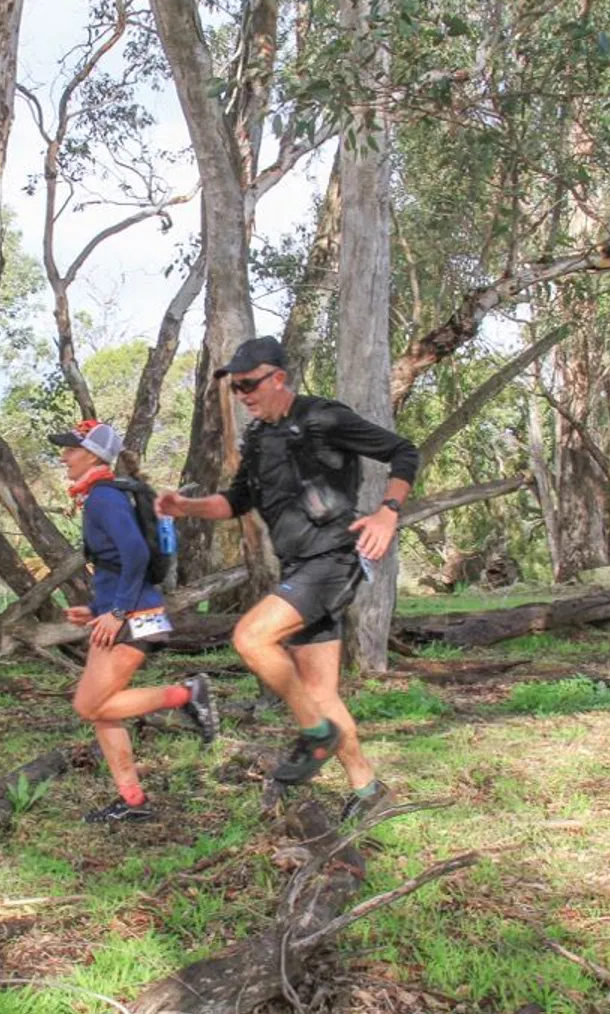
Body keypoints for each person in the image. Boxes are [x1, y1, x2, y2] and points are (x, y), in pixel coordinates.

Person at [155, 336, 419, 824]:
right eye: (237, 388)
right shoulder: (258, 439)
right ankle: (369, 791)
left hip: (333, 559)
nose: (244, 395)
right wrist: (186, 506)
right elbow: (235, 503)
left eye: (250, 384)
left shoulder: (323, 417)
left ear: (278, 377)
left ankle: (315, 734)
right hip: (299, 566)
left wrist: (388, 512)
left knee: (250, 637)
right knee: (320, 692)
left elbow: (403, 452)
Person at [49, 419, 219, 825]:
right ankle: (133, 800)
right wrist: (96, 608)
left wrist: (119, 611)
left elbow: (136, 556)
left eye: (70, 449)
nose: (64, 456)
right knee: (99, 710)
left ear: (91, 455)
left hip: (134, 616)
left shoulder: (104, 498)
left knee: (90, 705)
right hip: (124, 612)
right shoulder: (101, 497)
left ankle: (188, 694)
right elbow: (115, 563)